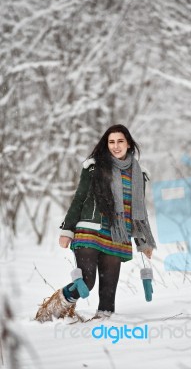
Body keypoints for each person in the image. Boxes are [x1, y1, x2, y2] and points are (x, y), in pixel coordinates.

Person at [35, 124, 157, 323]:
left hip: (118, 235)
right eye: (111, 142)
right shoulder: (94, 167)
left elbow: (138, 210)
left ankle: (102, 328)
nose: (115, 146)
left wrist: (143, 243)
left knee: (108, 292)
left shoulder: (138, 175)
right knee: (86, 282)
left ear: (129, 144)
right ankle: (50, 312)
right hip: (89, 230)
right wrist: (67, 230)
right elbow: (79, 198)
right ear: (106, 144)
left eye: (120, 141)